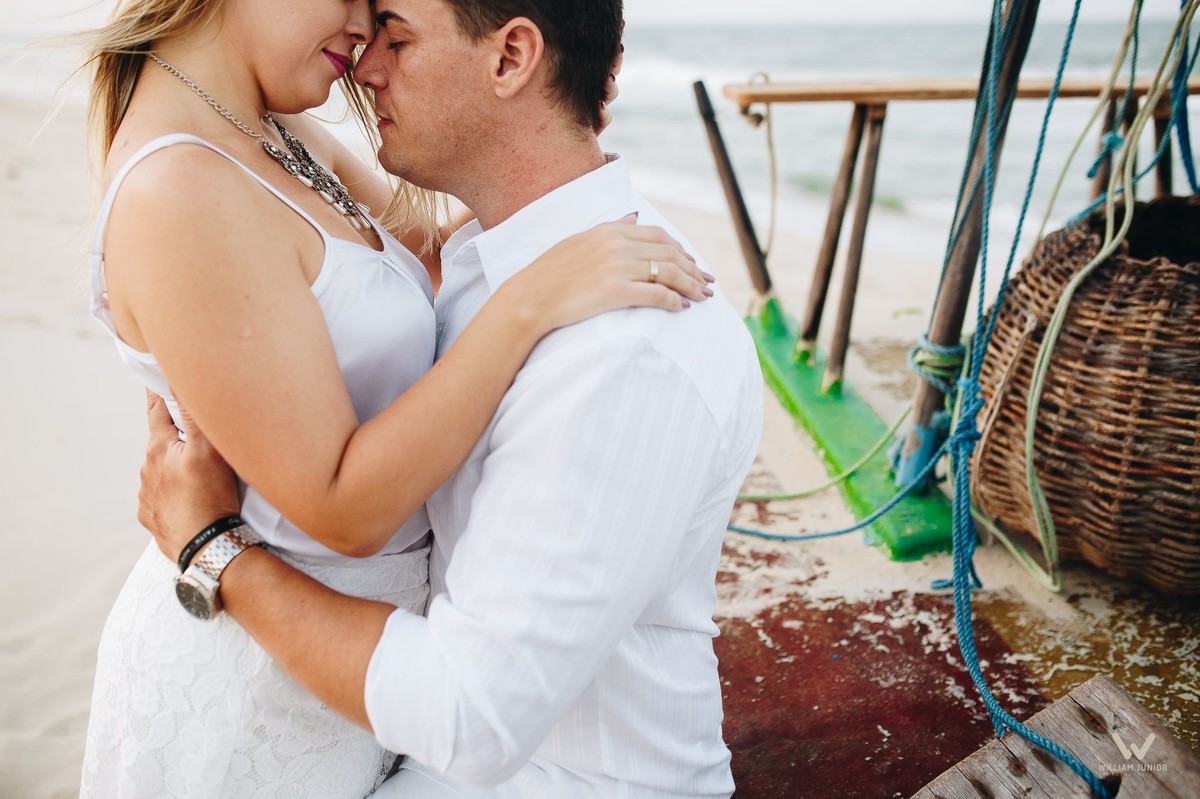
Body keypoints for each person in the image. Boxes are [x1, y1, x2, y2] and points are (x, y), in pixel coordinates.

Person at [77, 0, 712, 796]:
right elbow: (342, 509)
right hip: (252, 692)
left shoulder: (281, 133)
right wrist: (530, 304)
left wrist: (563, 99)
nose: (362, 31)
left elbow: (435, 253)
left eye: (390, 23)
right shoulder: (178, 187)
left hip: (368, 680)